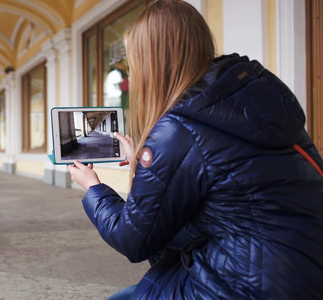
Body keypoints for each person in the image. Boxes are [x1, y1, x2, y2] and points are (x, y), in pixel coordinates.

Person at [67, 0, 323, 299]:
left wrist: (94, 188)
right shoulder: (253, 98)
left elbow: (132, 240)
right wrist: (146, 161)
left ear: (150, 64)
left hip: (253, 284)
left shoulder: (177, 128)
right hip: (305, 261)